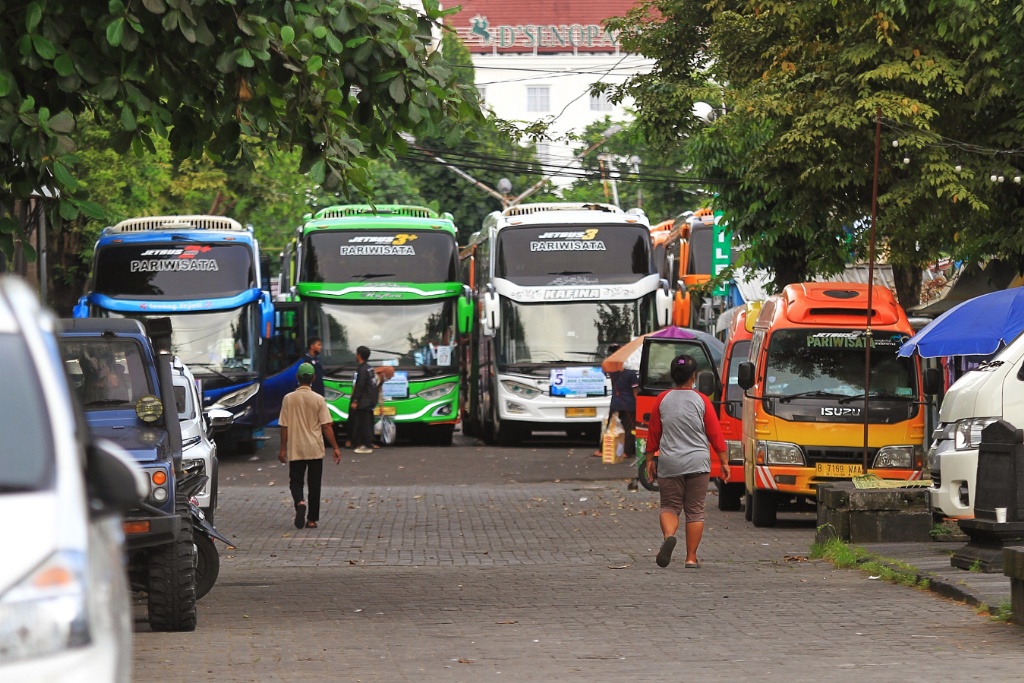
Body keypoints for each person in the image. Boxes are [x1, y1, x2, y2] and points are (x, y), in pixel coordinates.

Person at [645, 353, 727, 568]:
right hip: (697, 463)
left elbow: (654, 432)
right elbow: (715, 433)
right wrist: (724, 461)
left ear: (672, 375)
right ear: (694, 376)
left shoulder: (662, 400)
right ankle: (691, 558)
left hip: (670, 461)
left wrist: (649, 459)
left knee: (670, 507)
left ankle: (669, 537)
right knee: (695, 510)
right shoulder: (702, 400)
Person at [278, 362, 341, 529]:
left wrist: (283, 448)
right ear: (314, 378)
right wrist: (335, 447)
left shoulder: (288, 399)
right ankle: (312, 519)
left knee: (295, 481)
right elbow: (326, 426)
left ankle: (299, 502)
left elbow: (284, 426)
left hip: (296, 447)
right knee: (315, 484)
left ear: (297, 378)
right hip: (315, 447)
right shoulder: (319, 399)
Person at [349, 345, 377, 455]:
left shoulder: (362, 369)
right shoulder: (369, 368)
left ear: (359, 355)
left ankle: (367, 445)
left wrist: (355, 400)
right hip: (371, 400)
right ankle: (366, 443)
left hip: (364, 400)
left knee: (363, 423)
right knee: (368, 422)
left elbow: (359, 386)